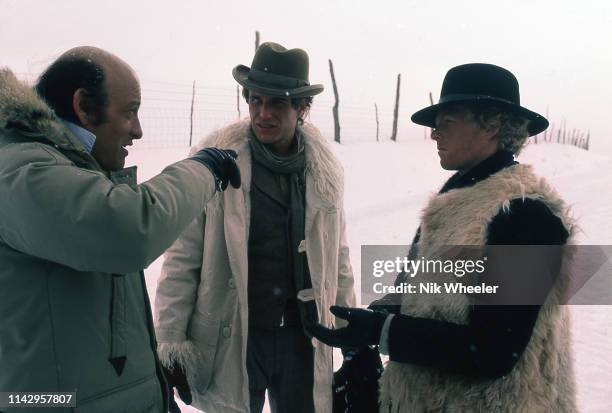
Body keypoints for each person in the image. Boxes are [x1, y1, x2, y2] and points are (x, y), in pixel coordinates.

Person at [310, 63, 577, 412]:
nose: (435, 134)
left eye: (447, 121)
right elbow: (428, 289)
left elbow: (494, 352)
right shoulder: (458, 198)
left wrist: (384, 331)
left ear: (493, 123)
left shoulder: (527, 216)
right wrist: (375, 323)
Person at [0, 46, 240, 413]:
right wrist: (204, 168)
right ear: (83, 106)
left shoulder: (75, 173)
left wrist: (154, 393)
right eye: (130, 112)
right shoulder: (20, 171)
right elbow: (131, 229)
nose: (138, 130)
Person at [154, 42, 356, 413]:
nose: (263, 114)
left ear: (301, 108)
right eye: (256, 101)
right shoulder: (215, 164)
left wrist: (352, 334)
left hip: (302, 336)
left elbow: (337, 257)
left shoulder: (324, 173)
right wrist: (170, 342)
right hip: (235, 334)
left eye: (277, 103)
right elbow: (183, 258)